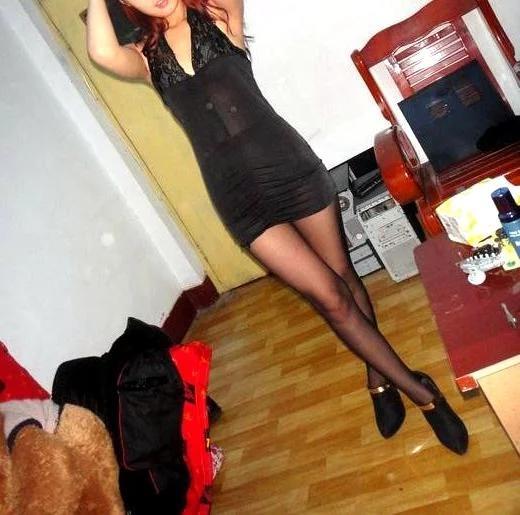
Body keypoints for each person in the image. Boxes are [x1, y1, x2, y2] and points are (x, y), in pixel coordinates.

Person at [86, 0, 468, 454]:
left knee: (342, 274)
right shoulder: (145, 58)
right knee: (329, 296)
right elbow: (100, 51)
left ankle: (378, 378)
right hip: (238, 197)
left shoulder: (218, 13)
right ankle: (423, 392)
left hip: (290, 167)